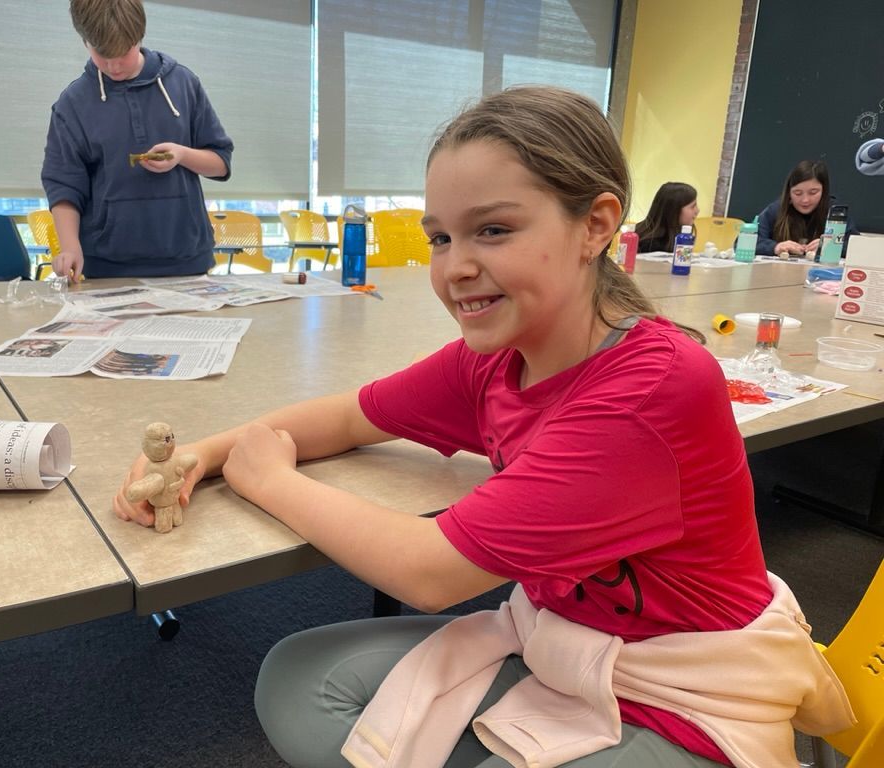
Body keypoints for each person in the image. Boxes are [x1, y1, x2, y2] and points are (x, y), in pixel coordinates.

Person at [115, 86, 850, 768]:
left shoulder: (649, 387)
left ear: (596, 225)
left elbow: (429, 572)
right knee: (296, 683)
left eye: (492, 230)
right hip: (563, 641)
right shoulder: (498, 357)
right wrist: (202, 457)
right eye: (440, 238)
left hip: (687, 692)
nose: (455, 267)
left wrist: (265, 476)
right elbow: (346, 416)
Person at [42, 0, 234, 280]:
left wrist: (182, 155)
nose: (114, 66)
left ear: (139, 37)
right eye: (101, 54)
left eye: (123, 53)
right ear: (85, 41)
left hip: (187, 261)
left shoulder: (183, 83)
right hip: (107, 267)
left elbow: (221, 163)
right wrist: (71, 247)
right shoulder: (72, 103)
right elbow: (63, 185)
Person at [754, 160, 857, 257]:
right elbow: (745, 240)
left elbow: (858, 245)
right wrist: (775, 247)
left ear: (824, 191)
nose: (805, 200)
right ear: (789, 193)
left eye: (813, 192)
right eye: (797, 193)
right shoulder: (776, 210)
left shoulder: (836, 213)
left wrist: (833, 246)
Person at [633, 182, 699, 253]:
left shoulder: (680, 235)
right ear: (673, 210)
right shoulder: (649, 243)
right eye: (692, 207)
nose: (697, 210)